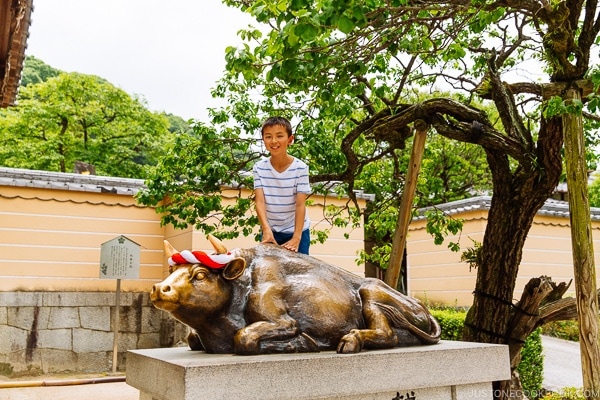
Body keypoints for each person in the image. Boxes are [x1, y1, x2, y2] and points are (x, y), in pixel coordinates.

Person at [253, 116, 311, 254]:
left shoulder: (301, 168)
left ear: (290, 139)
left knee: (299, 272)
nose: (273, 141)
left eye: (279, 136)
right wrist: (266, 230)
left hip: (297, 230)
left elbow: (300, 205)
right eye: (268, 137)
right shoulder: (259, 168)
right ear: (263, 140)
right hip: (271, 230)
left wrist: (297, 238)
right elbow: (260, 202)